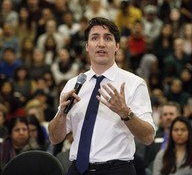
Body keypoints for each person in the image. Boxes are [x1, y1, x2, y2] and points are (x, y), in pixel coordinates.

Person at [48, 17, 155, 175]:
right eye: (95, 38)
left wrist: (125, 113)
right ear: (87, 46)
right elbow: (54, 138)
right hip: (77, 170)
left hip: (117, 170)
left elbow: (148, 137)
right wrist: (62, 114)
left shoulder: (134, 83)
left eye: (108, 38)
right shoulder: (73, 84)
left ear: (117, 46)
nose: (101, 44)